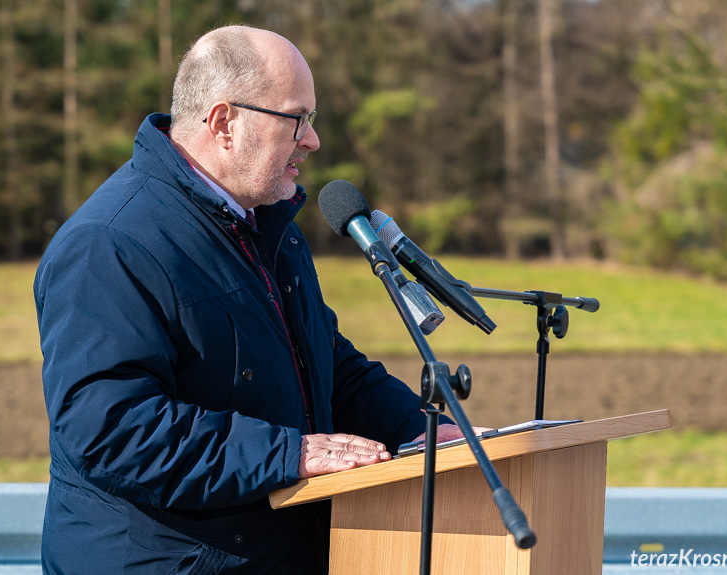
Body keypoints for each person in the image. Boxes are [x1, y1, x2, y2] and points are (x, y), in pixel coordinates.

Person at [34, 25, 466, 574]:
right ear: (224, 123)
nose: (311, 141)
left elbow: (325, 363)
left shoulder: (266, 225)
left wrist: (422, 431)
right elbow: (111, 430)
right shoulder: (109, 243)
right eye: (297, 119)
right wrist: (289, 454)